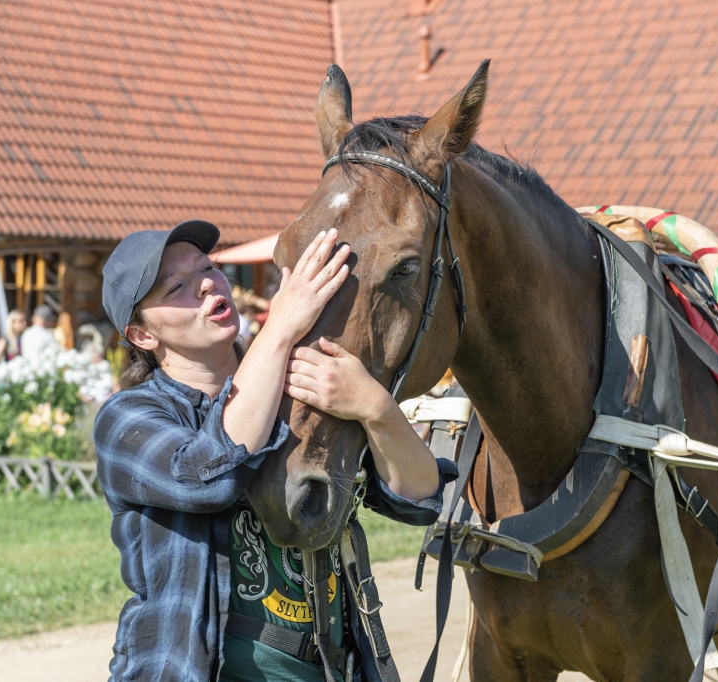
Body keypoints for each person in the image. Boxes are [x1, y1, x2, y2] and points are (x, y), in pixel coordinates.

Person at [93, 220, 455, 682]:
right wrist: (279, 329)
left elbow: (416, 499)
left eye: (208, 267)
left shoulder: (301, 388)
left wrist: (375, 407)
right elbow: (211, 473)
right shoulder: (127, 419)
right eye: (177, 286)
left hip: (332, 668)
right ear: (143, 335)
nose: (207, 283)